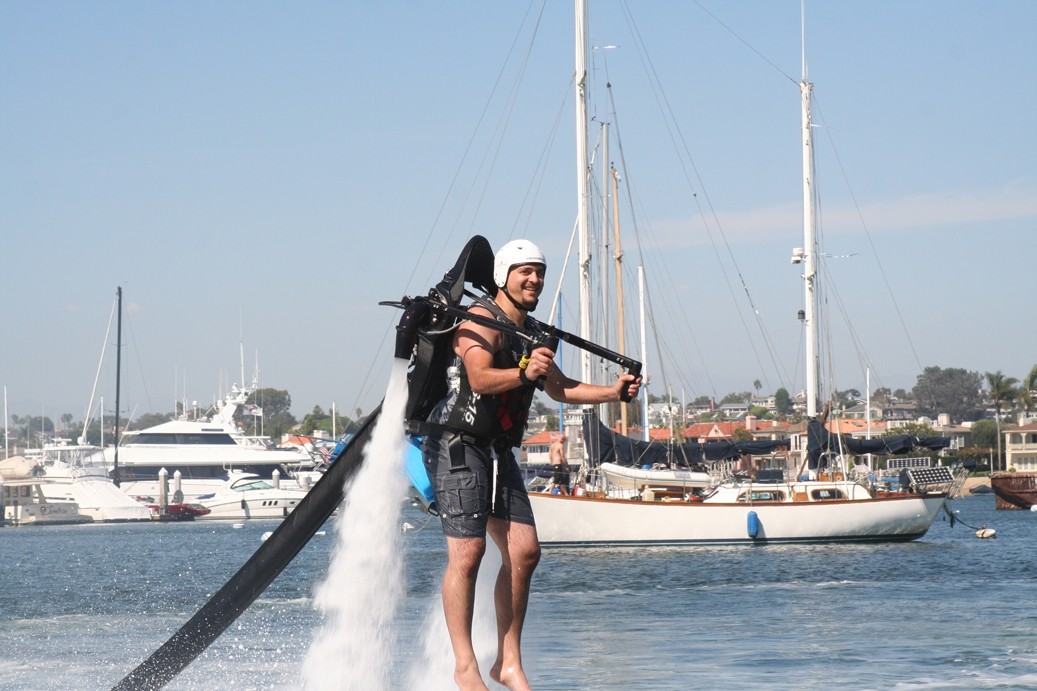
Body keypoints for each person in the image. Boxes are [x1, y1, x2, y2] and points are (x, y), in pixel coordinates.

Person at [423, 239, 641, 691]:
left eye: (539, 272)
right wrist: (525, 373)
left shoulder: (537, 333)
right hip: (457, 445)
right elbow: (480, 378)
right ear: (504, 275)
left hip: (499, 451)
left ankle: (508, 662)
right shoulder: (478, 320)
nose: (534, 280)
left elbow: (559, 389)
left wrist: (613, 392)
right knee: (469, 553)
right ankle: (465, 666)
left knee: (524, 552)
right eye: (525, 271)